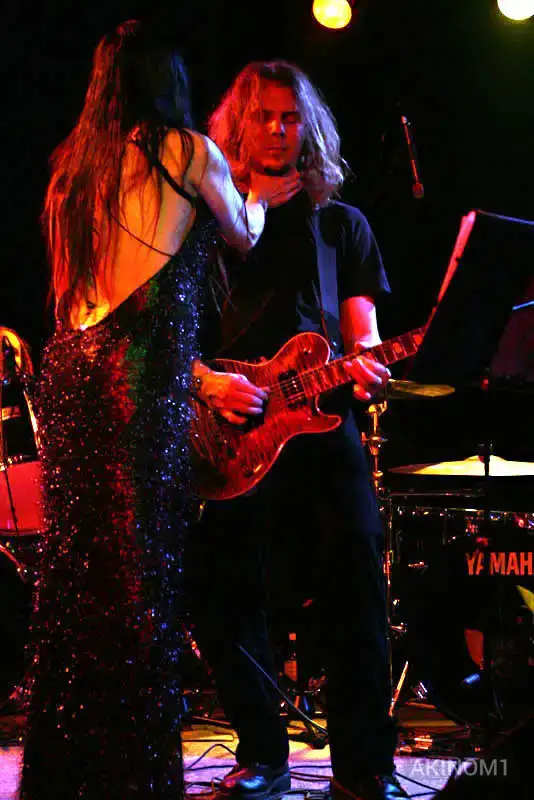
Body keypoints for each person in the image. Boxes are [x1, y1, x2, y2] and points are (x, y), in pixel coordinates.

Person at [20, 26, 300, 800]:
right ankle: (130, 776)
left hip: (72, 370)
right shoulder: (184, 150)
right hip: (135, 374)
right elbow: (242, 233)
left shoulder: (74, 167)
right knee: (141, 574)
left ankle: (72, 772)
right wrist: (258, 197)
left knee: (81, 576)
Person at [185, 61, 409, 800]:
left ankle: (363, 766)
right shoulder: (205, 232)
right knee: (220, 595)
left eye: (291, 118)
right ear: (238, 127)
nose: (280, 131)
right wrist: (209, 382)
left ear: (308, 129)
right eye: (265, 117)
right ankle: (262, 753)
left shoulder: (341, 225)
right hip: (230, 433)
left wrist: (369, 365)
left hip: (321, 426)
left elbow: (362, 332)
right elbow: (169, 339)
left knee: (357, 586)